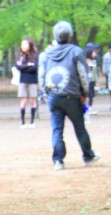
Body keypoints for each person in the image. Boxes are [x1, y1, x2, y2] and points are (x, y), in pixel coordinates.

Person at [39, 21, 99, 170]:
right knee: (80, 127)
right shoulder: (76, 51)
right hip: (72, 96)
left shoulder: (46, 54)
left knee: (57, 130)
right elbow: (83, 75)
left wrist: (46, 93)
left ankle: (58, 160)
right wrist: (85, 93)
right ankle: (88, 155)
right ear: (70, 36)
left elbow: (42, 76)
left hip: (54, 96)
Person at [15, 38, 39, 127]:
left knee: (33, 100)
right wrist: (28, 65)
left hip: (32, 80)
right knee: (23, 100)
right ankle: (23, 122)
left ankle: (32, 122)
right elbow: (18, 67)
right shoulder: (21, 56)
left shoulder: (35, 56)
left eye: (24, 44)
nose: (23, 46)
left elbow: (35, 68)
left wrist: (24, 67)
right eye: (22, 45)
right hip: (23, 80)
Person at [84, 43, 99, 114]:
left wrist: (96, 81)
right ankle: (85, 108)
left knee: (91, 95)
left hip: (92, 81)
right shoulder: (83, 61)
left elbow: (95, 72)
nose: (95, 54)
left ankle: (90, 107)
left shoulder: (94, 61)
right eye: (93, 52)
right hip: (85, 81)